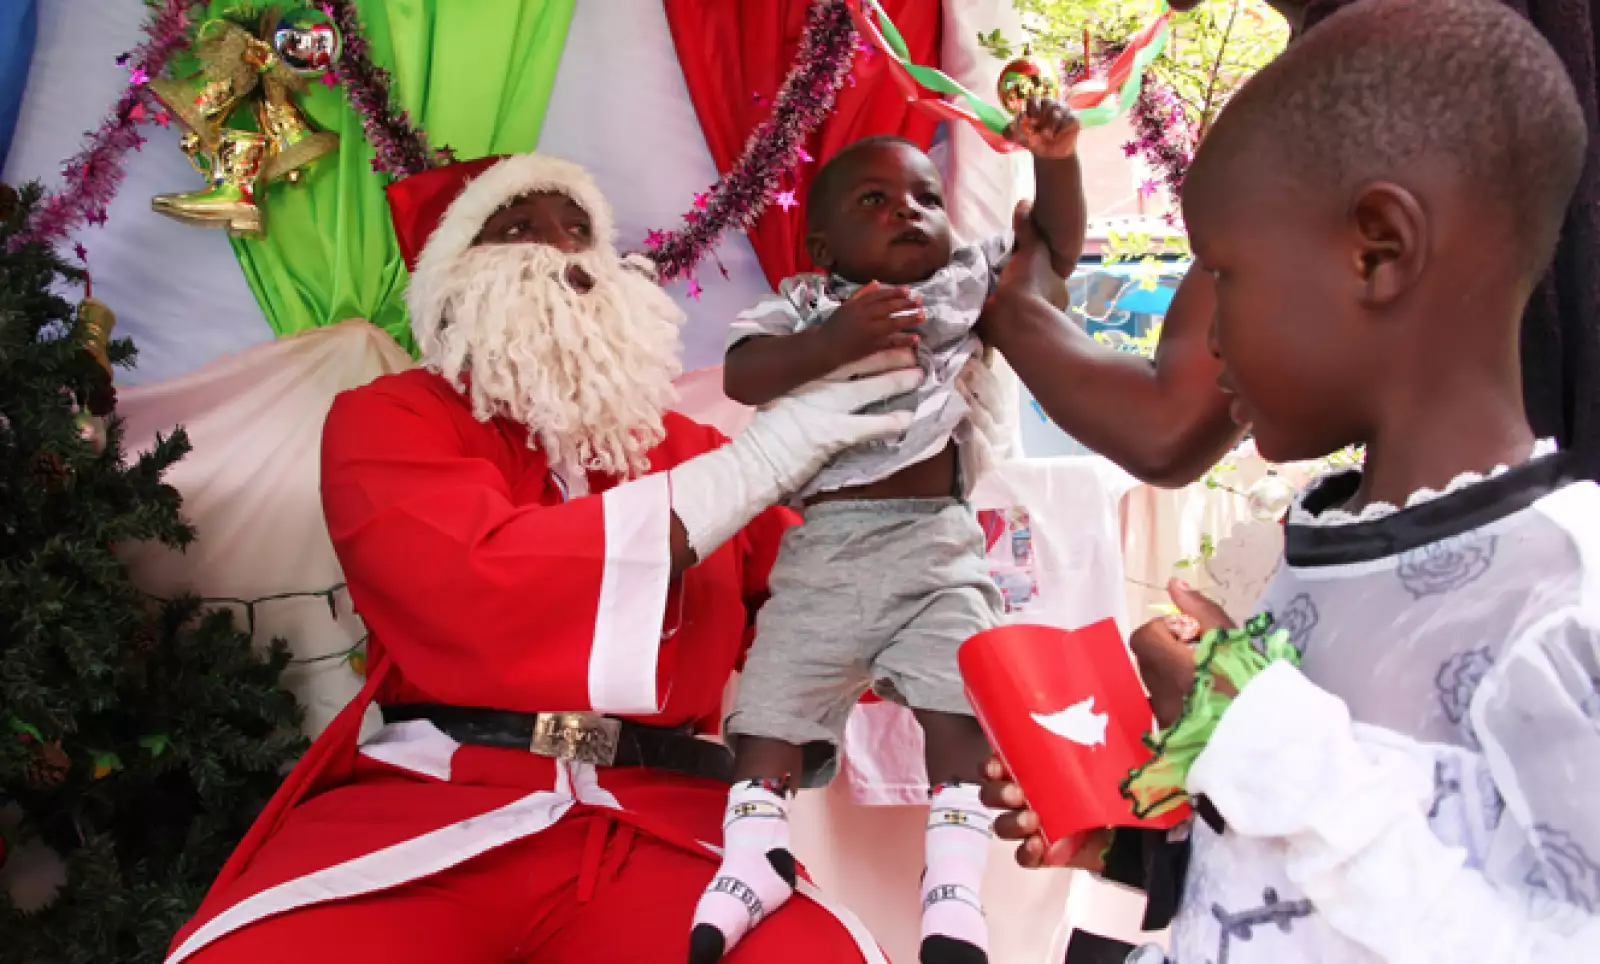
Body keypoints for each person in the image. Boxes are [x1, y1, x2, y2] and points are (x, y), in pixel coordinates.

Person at [162, 152, 928, 964]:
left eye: (579, 230)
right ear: (455, 278)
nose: (562, 254)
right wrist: (747, 469)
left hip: (662, 819)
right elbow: (471, 580)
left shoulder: (681, 449)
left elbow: (823, 605)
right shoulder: (388, 419)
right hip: (433, 804)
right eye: (519, 229)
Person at [983, 0, 1600, 960]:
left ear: (1378, 250)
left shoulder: (1564, 601)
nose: (1210, 335)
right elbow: (1314, 884)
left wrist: (1251, 720)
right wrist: (1134, 845)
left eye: (1225, 274)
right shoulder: (1317, 555)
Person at [691, 101, 1086, 964]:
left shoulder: (962, 285)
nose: (906, 210)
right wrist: (833, 339)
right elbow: (744, 373)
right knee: (771, 705)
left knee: (965, 699)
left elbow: (1052, 245)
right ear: (823, 250)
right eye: (873, 201)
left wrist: (1054, 161)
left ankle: (952, 885)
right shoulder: (804, 304)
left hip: (938, 542)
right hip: (826, 550)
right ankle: (756, 855)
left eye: (922, 197)